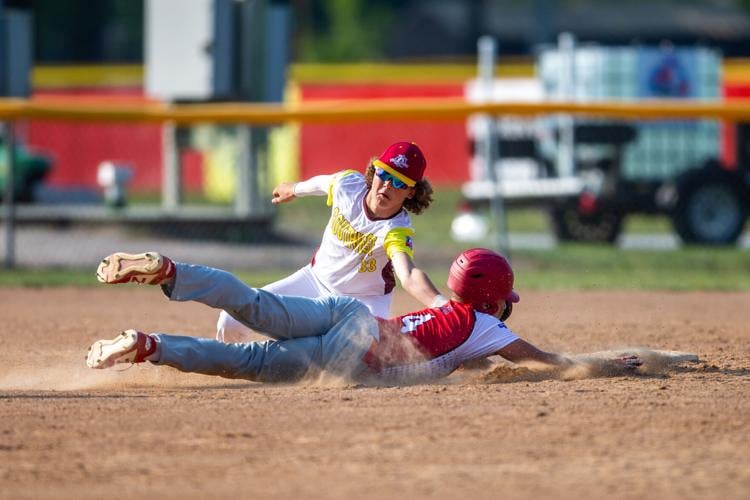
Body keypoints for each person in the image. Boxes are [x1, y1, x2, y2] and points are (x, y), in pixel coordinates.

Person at [88, 249, 641, 385]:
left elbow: (453, 356)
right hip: (354, 353)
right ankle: (148, 345)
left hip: (349, 316)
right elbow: (549, 363)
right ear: (494, 297)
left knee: (254, 304)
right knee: (246, 362)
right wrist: (613, 365)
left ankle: (170, 271)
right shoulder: (488, 328)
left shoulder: (450, 313)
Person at [215, 141, 445, 342]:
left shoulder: (396, 229)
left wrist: (443, 306)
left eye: (398, 182)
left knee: (356, 360)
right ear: (374, 171)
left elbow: (408, 275)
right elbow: (321, 184)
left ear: (411, 192)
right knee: (232, 319)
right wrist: (294, 189)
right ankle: (235, 362)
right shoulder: (348, 185)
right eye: (383, 174)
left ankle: (452, 354)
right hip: (313, 282)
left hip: (363, 303)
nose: (386, 186)